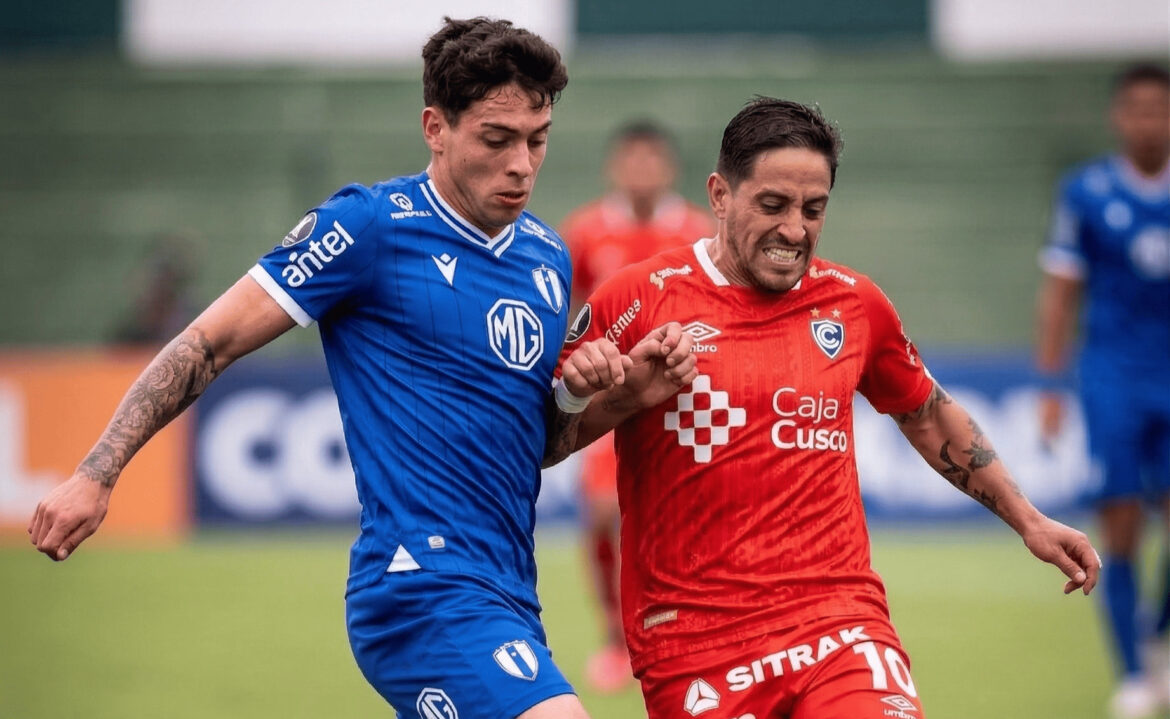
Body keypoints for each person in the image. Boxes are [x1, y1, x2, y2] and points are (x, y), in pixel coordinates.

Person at [26, 17, 696, 719]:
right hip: (419, 588)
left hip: (508, 592)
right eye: (496, 139)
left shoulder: (546, 259)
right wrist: (96, 473)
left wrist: (611, 395)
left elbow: (538, 445)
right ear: (435, 128)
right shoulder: (368, 226)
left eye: (537, 139)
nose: (522, 164)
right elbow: (207, 343)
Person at [545, 97, 1102, 719]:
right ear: (720, 195)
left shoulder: (854, 305)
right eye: (773, 205)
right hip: (695, 642)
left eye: (813, 210)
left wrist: (1029, 519)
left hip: (839, 623)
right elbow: (541, 442)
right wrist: (598, 396)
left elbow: (926, 414)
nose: (795, 231)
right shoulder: (636, 298)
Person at [559, 120, 715, 693]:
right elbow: (568, 310)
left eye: (653, 160)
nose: (642, 171)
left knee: (692, 521)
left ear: (669, 168)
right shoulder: (584, 232)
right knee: (603, 512)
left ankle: (693, 631)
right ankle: (614, 636)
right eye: (632, 160)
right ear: (615, 167)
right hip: (610, 396)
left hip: (683, 394)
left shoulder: (698, 231)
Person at [1035, 62, 1170, 718]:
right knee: (1121, 525)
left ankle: (1158, 634)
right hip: (1113, 375)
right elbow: (1061, 292)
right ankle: (1134, 675)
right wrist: (1050, 385)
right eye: (1137, 109)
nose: (1149, 122)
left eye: (1159, 110)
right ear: (1119, 117)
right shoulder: (1086, 191)